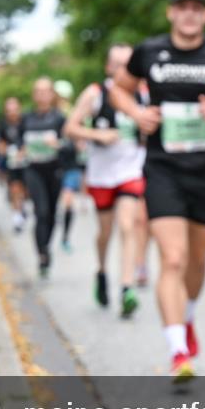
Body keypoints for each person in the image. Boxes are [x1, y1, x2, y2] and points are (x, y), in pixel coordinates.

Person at [110, 0, 205, 382]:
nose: (190, 13)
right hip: (163, 168)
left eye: (197, 7)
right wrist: (136, 114)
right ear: (171, 12)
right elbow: (119, 91)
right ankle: (178, 351)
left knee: (196, 260)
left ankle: (187, 316)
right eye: (182, 6)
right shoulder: (149, 51)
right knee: (172, 258)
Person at [64, 44, 147, 318]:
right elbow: (70, 128)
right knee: (105, 232)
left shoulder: (144, 95)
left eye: (129, 64)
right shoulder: (96, 93)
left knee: (128, 225)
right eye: (118, 65)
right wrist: (98, 136)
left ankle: (126, 288)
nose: (124, 70)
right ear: (108, 68)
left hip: (131, 171)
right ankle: (101, 271)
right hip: (101, 174)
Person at [21, 78, 67, 278]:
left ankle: (46, 246)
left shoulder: (59, 118)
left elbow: (71, 143)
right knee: (41, 211)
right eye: (38, 91)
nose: (41, 95)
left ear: (51, 94)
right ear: (34, 94)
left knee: (51, 214)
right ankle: (42, 254)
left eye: (45, 91)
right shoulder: (27, 118)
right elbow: (18, 142)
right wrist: (20, 150)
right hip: (33, 169)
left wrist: (59, 144)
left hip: (54, 170)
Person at [54, 79, 83, 254]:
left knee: (68, 201)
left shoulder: (73, 113)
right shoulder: (48, 114)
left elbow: (78, 140)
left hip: (71, 165)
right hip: (54, 165)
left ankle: (65, 237)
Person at [0, 98, 28, 233]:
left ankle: (22, 208)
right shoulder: (3, 125)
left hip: (27, 162)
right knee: (15, 189)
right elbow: (0, 142)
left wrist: (24, 151)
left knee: (25, 190)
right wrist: (3, 149)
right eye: (9, 111)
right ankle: (17, 217)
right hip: (12, 162)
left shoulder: (26, 122)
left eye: (14, 110)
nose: (12, 113)